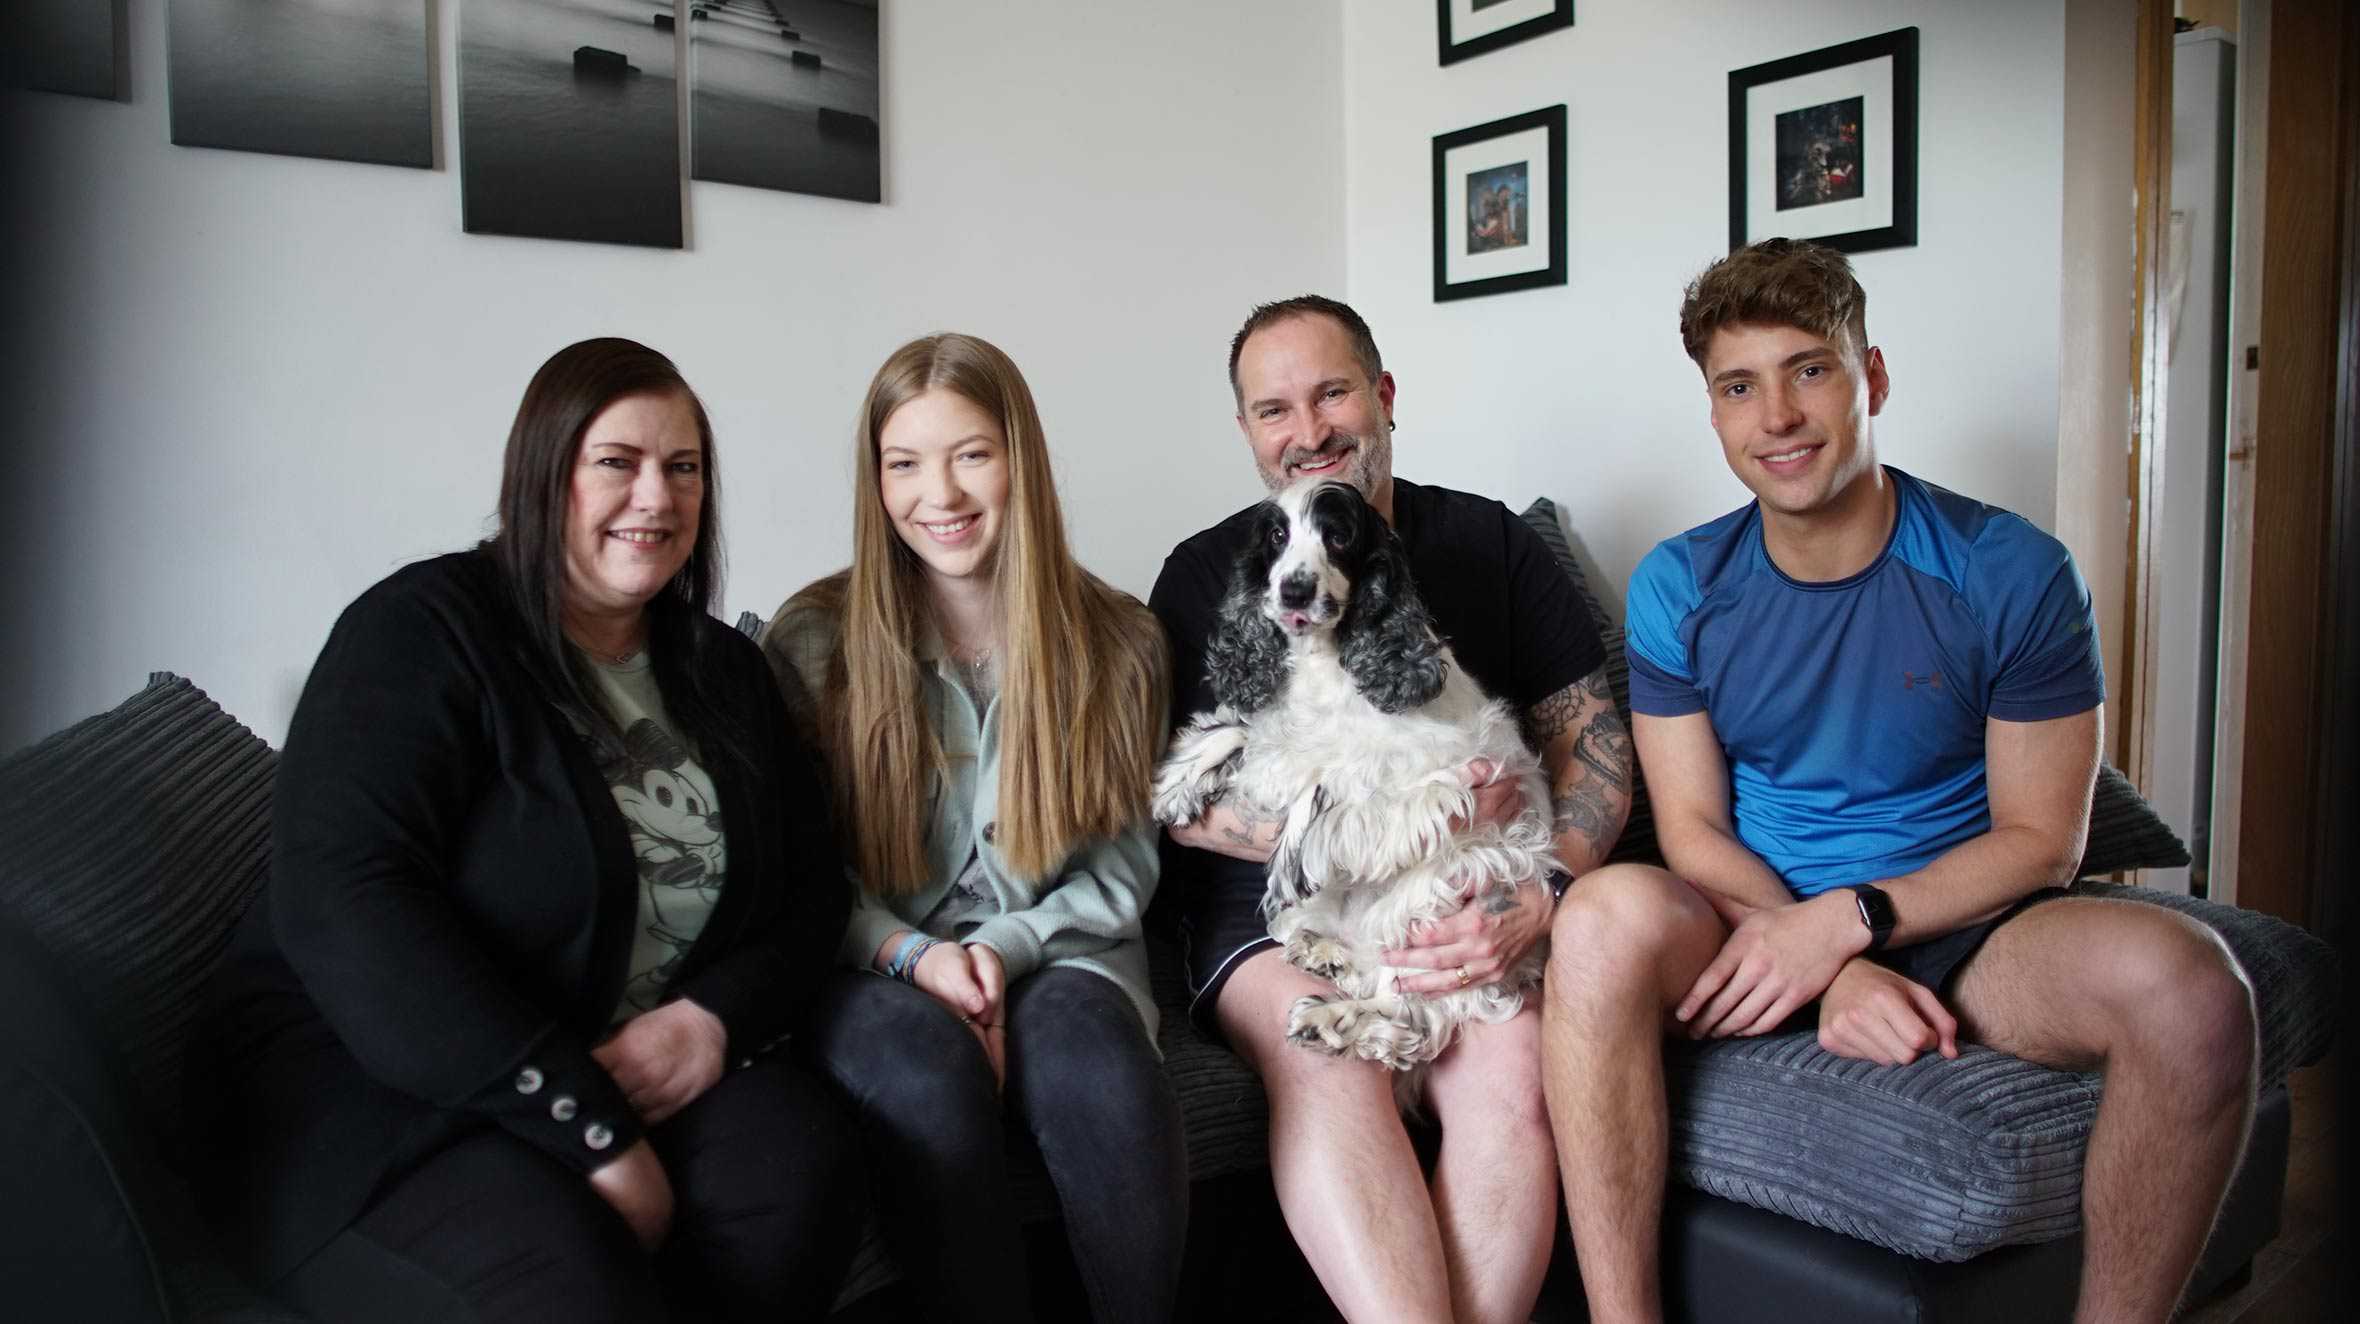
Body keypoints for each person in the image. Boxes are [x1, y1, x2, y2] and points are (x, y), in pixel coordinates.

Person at [1541, 238, 2258, 1323]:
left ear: (1869, 377)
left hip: (1966, 921)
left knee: (2196, 989)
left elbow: (2039, 841)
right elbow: (1688, 827)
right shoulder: (1677, 585)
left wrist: (1856, 925)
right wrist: (1822, 964)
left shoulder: (2006, 568)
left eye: (1808, 370)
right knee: (1595, 920)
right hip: (1750, 919)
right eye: (1739, 387)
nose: (1775, 415)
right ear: (1714, 414)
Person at [195, 338, 862, 1322]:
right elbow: (346, 899)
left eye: (683, 468)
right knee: (571, 1280)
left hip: (627, 1058)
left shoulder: (721, 669)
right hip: (392, 1094)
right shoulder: (419, 631)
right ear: (544, 472)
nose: (657, 497)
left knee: (801, 1164)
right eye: (617, 462)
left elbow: (811, 894)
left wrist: (710, 1018)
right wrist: (587, 1128)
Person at [1149, 295, 1634, 1324]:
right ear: (1245, 432)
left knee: (1508, 1061)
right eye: (1271, 408)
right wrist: (1356, 828)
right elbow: (1171, 806)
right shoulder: (1204, 574)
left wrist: (1543, 889)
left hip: (1469, 881)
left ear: (1381, 395)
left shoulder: (1490, 540)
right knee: (1326, 1055)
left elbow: (1592, 742)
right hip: (1271, 905)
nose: (1307, 429)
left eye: (1329, 392)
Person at [761, 332, 1187, 1324]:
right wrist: (916, 957)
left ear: (1018, 460)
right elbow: (797, 874)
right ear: (875, 483)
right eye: (903, 463)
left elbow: (1123, 871)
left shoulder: (1119, 641)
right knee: (920, 1067)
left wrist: (997, 949)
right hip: (873, 960)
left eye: (970, 454)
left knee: (1095, 1059)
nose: (937, 494)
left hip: (1065, 949)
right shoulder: (811, 639)